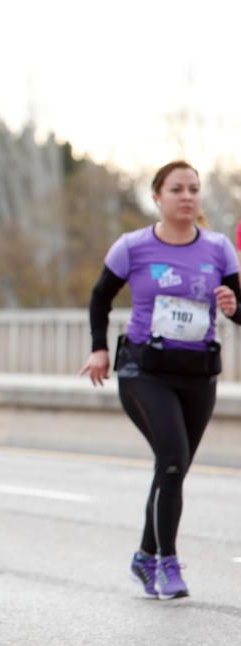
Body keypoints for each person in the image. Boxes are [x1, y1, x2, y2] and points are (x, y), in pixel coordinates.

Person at [80, 160, 241, 600]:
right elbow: (100, 298)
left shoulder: (219, 249)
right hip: (143, 372)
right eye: (177, 189)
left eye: (194, 189)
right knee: (172, 457)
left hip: (198, 374)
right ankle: (166, 563)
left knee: (174, 468)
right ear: (157, 198)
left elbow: (238, 308)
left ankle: (143, 555)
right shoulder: (133, 247)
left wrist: (233, 307)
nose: (187, 196)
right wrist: (99, 349)